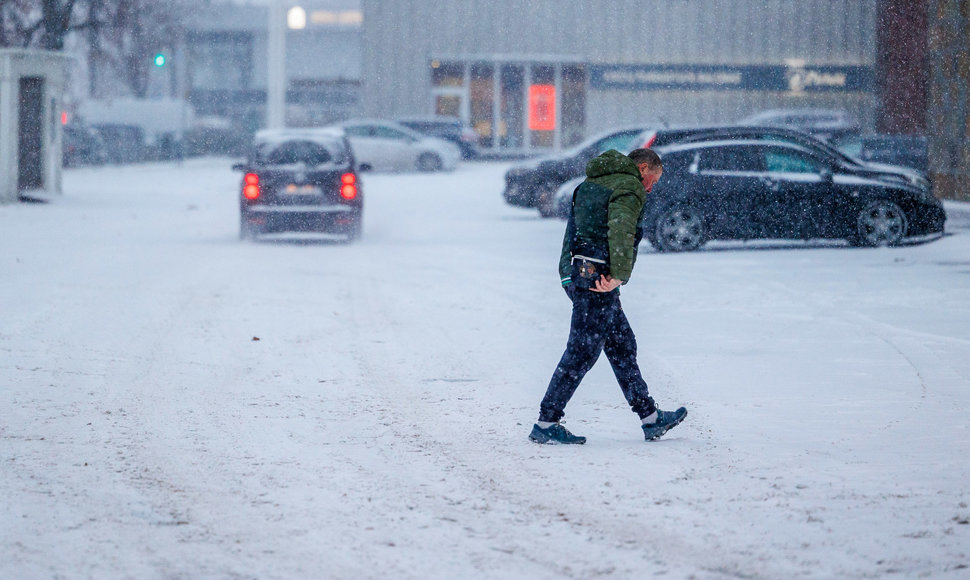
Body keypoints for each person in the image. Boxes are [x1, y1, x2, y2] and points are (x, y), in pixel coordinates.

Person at [529, 148, 687, 445]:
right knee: (581, 352)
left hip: (583, 273)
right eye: (652, 179)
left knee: (623, 345)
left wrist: (568, 275)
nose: (651, 188)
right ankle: (546, 421)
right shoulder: (628, 186)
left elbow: (572, 234)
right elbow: (621, 228)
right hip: (601, 278)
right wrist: (618, 274)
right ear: (642, 168)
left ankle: (650, 418)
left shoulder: (588, 185)